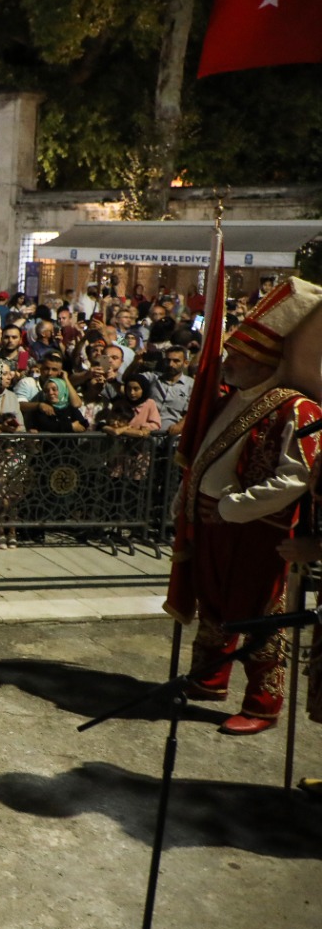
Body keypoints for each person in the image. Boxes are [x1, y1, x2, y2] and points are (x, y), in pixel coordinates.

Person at [171, 277, 322, 734]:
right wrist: (190, 498)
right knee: (215, 605)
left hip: (259, 531)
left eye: (237, 357)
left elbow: (295, 477)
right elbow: (204, 456)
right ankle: (209, 679)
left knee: (259, 615)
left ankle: (262, 703)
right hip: (216, 525)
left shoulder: (295, 409)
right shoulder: (232, 400)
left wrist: (234, 507)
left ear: (261, 362)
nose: (227, 363)